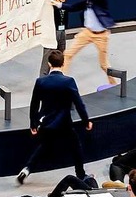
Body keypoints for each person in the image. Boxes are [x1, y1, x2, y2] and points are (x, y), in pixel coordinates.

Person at [18, 50, 92, 183]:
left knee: (43, 146)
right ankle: (81, 174)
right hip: (64, 123)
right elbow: (79, 103)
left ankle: (26, 169)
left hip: (46, 121)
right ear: (63, 63)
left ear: (49, 64)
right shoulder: (68, 81)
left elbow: (34, 104)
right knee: (76, 146)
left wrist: (33, 124)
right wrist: (86, 121)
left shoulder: (41, 81)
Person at [51, 0, 116, 84]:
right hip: (87, 32)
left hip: (101, 35)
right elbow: (73, 7)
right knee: (67, 55)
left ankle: (114, 83)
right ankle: (62, 83)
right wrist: (57, 4)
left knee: (104, 64)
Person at [40, 0, 76, 76]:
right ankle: (42, 79)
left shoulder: (64, 6)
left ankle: (59, 76)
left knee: (60, 56)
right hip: (51, 33)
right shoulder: (49, 6)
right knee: (48, 57)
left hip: (62, 33)